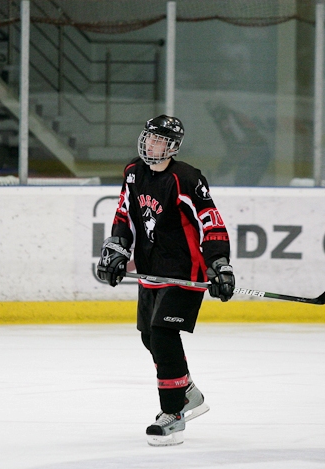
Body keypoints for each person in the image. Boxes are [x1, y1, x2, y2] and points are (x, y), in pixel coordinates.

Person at [97, 115, 235, 447]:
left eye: (159, 140)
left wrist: (219, 264)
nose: (151, 144)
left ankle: (173, 413)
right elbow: (124, 215)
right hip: (151, 270)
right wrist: (117, 250)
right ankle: (186, 391)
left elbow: (210, 221)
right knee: (149, 336)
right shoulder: (134, 172)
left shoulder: (186, 178)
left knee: (162, 334)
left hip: (184, 272)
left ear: (172, 147)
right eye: (149, 137)